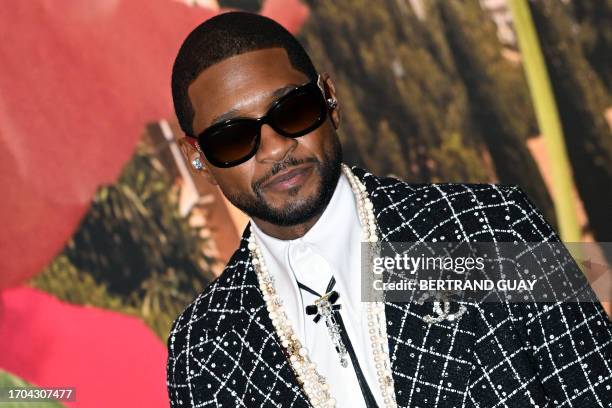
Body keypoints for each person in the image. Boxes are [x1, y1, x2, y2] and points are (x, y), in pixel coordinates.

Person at [166, 11, 612, 408]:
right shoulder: (203, 348)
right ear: (197, 158)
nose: (275, 147)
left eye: (292, 109)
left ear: (329, 100)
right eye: (231, 137)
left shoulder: (489, 224)